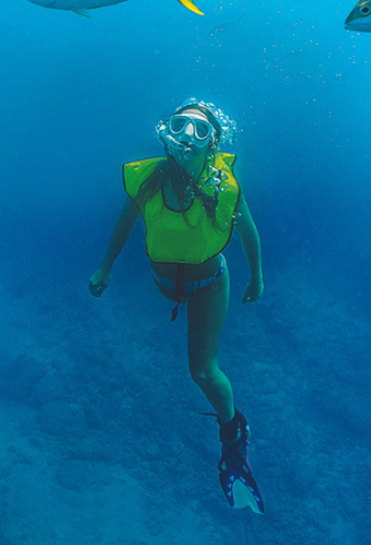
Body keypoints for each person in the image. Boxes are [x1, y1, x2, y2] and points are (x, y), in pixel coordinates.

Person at [88, 99, 265, 513]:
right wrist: (105, 268)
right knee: (190, 356)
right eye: (180, 126)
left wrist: (256, 276)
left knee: (202, 371)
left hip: (209, 283)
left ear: (212, 144)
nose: (189, 137)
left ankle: (234, 438)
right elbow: (124, 224)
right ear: (165, 133)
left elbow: (248, 231)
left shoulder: (223, 184)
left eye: (201, 131)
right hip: (166, 283)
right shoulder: (148, 181)